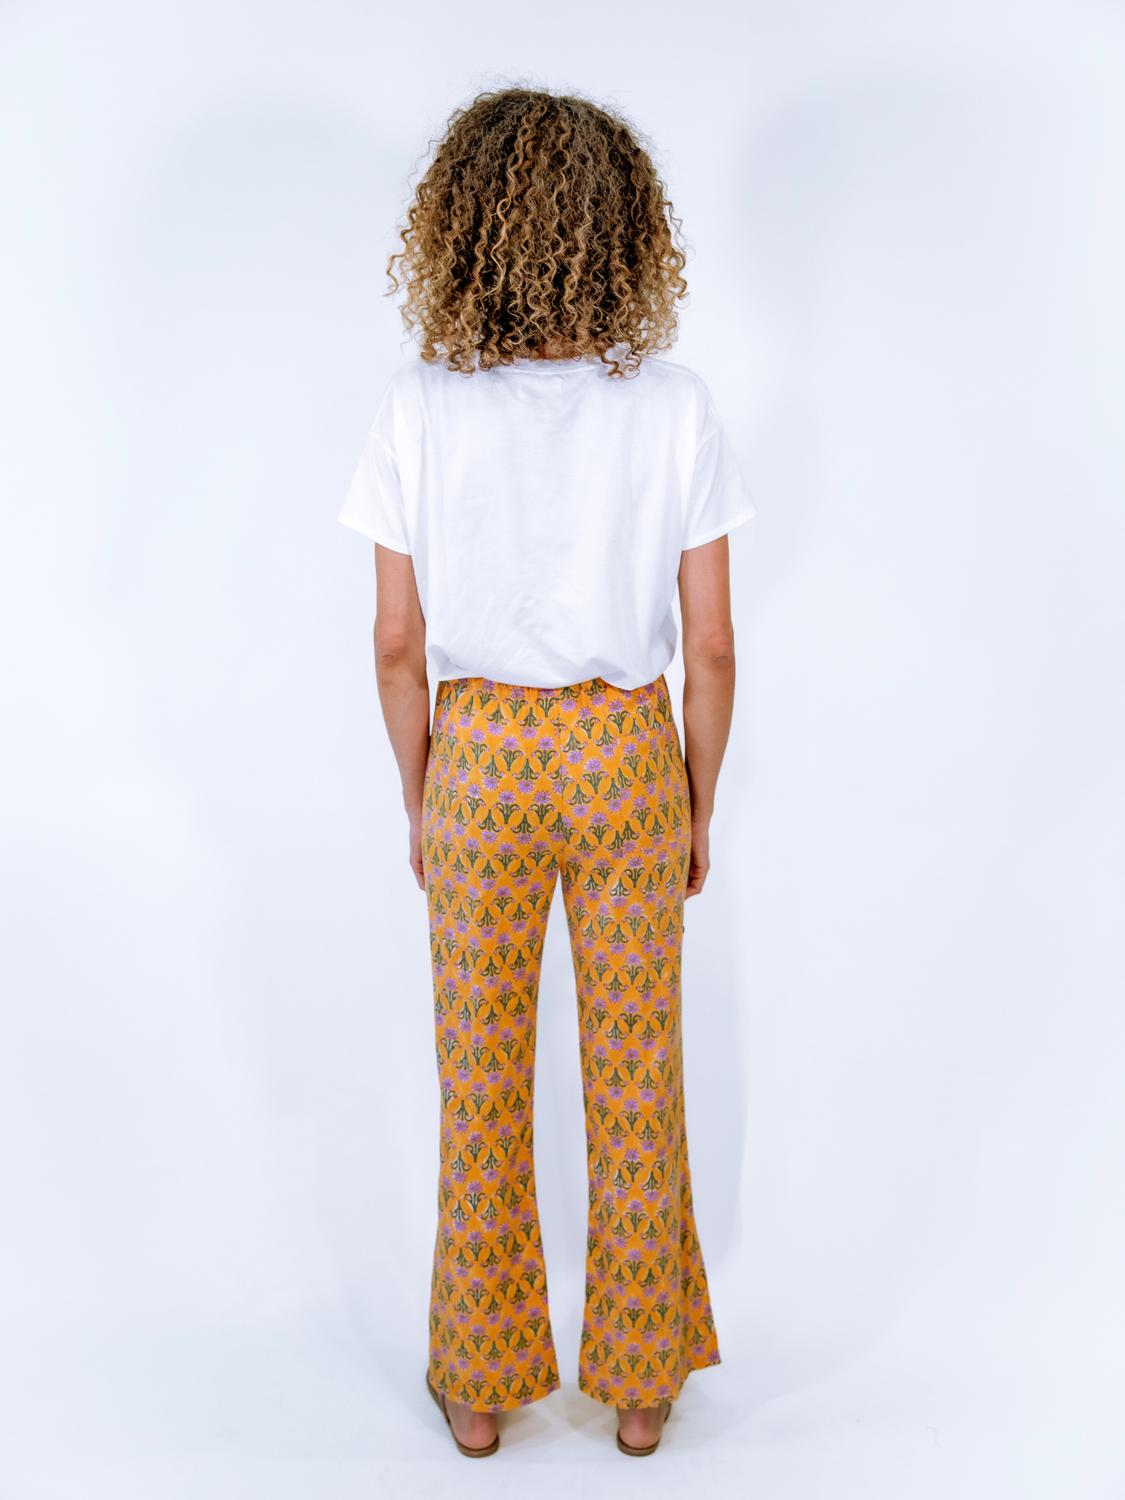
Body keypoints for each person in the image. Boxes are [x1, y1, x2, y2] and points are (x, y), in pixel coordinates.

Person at [338, 85, 755, 1459]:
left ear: (459, 230)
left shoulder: (418, 408)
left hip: (481, 754)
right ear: (622, 233)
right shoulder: (674, 408)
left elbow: (396, 644)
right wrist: (694, 800)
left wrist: (423, 793)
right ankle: (639, 1391)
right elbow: (712, 646)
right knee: (638, 1076)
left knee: (479, 1081)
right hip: (626, 752)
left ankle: (477, 1387)